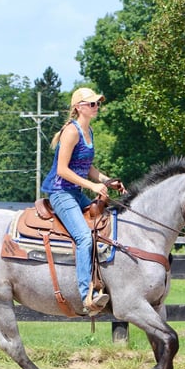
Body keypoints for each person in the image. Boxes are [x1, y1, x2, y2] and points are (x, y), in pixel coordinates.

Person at [41, 87, 126, 316]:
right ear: (78, 107)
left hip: (76, 193)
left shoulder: (89, 132)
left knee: (103, 229)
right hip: (61, 193)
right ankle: (86, 296)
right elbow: (62, 169)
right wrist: (92, 186)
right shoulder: (72, 131)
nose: (96, 107)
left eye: (97, 103)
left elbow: (87, 167)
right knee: (84, 238)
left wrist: (107, 182)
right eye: (91, 104)